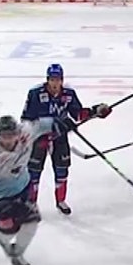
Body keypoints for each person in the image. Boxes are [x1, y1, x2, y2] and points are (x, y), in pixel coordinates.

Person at [20, 63, 111, 214]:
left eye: (58, 80)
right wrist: (49, 125)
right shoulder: (35, 94)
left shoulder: (68, 94)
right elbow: (26, 121)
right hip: (39, 138)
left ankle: (61, 201)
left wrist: (96, 111)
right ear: (48, 79)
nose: (55, 83)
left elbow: (78, 114)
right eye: (52, 80)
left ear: (62, 80)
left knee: (62, 170)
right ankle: (31, 204)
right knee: (34, 172)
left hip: (59, 138)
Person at [0, 114, 62, 265]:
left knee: (32, 222)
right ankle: (4, 241)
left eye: (12, 135)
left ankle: (17, 255)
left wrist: (61, 124)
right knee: (8, 231)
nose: (8, 140)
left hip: (23, 188)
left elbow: (44, 124)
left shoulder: (26, 132)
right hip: (1, 196)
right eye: (4, 136)